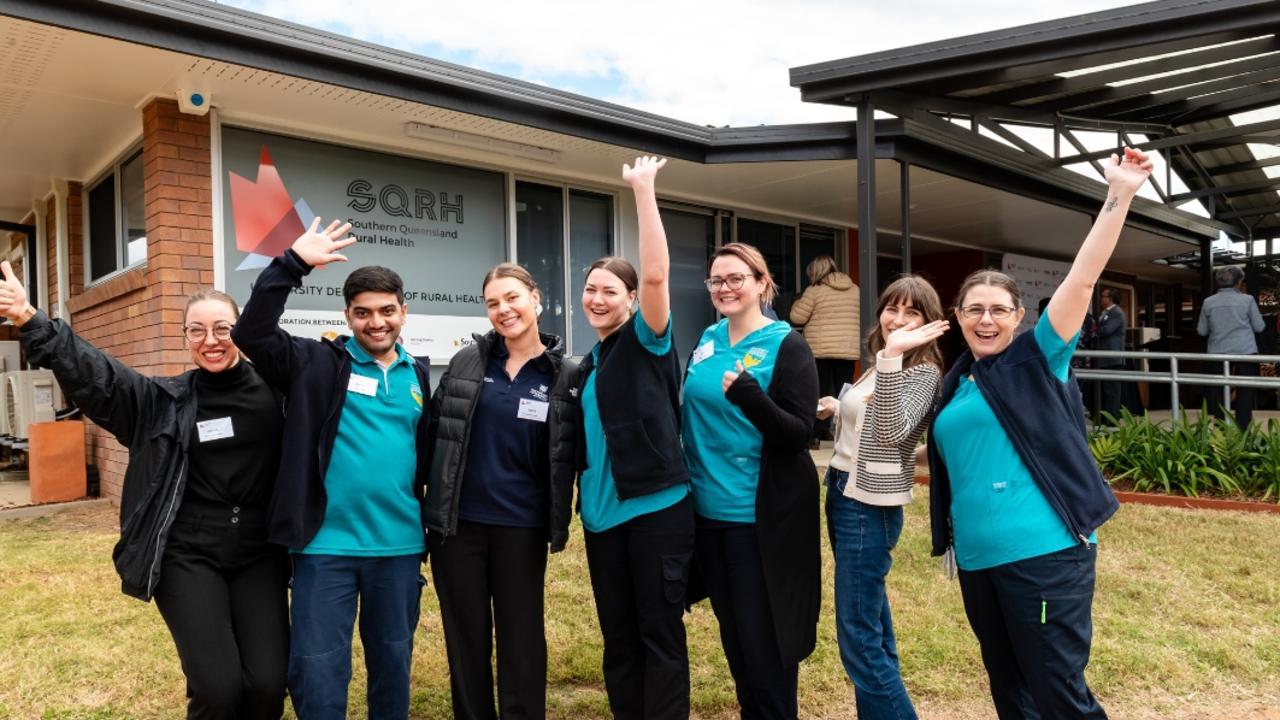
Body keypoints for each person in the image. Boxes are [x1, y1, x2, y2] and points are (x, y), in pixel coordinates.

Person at [0, 263, 288, 719]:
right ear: (184, 338)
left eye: (221, 328)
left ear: (242, 332)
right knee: (218, 688)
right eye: (197, 330)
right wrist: (32, 320)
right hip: (187, 553)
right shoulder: (162, 403)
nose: (210, 340)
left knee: (269, 687)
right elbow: (100, 376)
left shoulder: (281, 393)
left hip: (259, 554)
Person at [926, 146, 1152, 720]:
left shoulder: (1037, 358)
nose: (986, 319)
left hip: (1045, 556)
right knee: (1011, 691)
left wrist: (1118, 194)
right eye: (974, 309)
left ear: (1021, 317)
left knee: (1057, 694)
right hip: (980, 562)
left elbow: (1081, 282)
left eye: (999, 309)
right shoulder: (958, 384)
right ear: (957, 317)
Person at [231, 221, 430, 720]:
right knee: (318, 673)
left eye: (387, 311)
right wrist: (293, 263)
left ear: (404, 312)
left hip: (400, 548)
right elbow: (251, 331)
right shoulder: (315, 363)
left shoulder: (420, 375)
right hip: (325, 548)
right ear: (348, 316)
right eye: (363, 313)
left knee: (392, 666)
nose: (376, 322)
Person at [424, 263, 578, 720]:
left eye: (512, 297)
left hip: (522, 527)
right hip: (459, 525)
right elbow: (434, 433)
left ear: (536, 298)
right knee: (465, 635)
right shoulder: (468, 362)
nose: (503, 309)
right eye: (493, 302)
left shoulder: (565, 374)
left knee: (521, 637)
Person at [576, 156, 694, 720]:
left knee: (658, 638)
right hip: (601, 521)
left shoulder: (647, 341)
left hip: (654, 513)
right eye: (589, 288)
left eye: (608, 290)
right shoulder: (588, 364)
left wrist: (643, 191)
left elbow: (654, 275)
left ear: (629, 301)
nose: (597, 298)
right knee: (619, 642)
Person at [682, 241, 820, 719]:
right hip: (707, 516)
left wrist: (750, 397)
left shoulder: (787, 344)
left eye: (736, 278)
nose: (725, 288)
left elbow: (801, 433)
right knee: (737, 643)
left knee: (765, 648)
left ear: (762, 283)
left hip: (757, 521)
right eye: (717, 280)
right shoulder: (706, 338)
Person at [816, 275, 948, 720]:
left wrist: (891, 356)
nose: (898, 319)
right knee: (872, 625)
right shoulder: (883, 359)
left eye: (913, 312)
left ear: (929, 322)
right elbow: (870, 416)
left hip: (868, 506)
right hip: (842, 491)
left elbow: (893, 432)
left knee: (858, 636)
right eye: (893, 308)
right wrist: (839, 405)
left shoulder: (922, 371)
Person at [790, 255, 859, 443]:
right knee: (845, 392)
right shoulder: (855, 290)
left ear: (815, 272)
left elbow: (797, 317)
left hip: (820, 350)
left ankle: (816, 434)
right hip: (847, 350)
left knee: (818, 391)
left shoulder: (815, 291)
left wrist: (797, 301)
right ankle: (845, 433)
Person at [1198, 265, 1264, 427]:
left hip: (1217, 352)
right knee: (1245, 391)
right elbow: (1259, 327)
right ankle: (1243, 429)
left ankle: (1221, 429)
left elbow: (1202, 331)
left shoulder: (1208, 302)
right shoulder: (1247, 300)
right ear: (1238, 282)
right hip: (1245, 351)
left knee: (1219, 391)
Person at [1095, 287, 1125, 419]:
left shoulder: (1117, 313)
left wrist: (1094, 328)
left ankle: (1113, 418)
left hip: (1113, 358)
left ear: (1111, 299)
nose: (1101, 299)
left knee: (1112, 390)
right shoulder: (1106, 312)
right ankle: (1106, 416)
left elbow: (1107, 331)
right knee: (1107, 389)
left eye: (1103, 296)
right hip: (1105, 357)